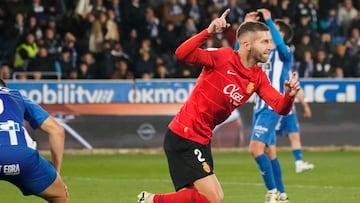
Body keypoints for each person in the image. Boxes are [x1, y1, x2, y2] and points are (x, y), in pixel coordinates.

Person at [137, 8, 301, 203]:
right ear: (247, 44)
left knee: (211, 198)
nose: (270, 46)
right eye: (264, 41)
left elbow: (280, 107)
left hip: (202, 139)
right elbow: (182, 54)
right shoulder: (222, 57)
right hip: (185, 134)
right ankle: (151, 200)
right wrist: (208, 32)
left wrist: (289, 96)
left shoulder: (258, 77)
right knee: (212, 199)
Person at [240, 8, 293, 203]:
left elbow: (278, 42)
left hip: (272, 107)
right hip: (259, 107)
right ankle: (282, 195)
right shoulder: (263, 54)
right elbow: (242, 50)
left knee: (255, 149)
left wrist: (270, 21)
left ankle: (271, 192)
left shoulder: (285, 53)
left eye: (274, 30)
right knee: (270, 152)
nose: (269, 32)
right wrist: (247, 24)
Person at [0, 79, 68, 203]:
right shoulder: (16, 95)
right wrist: (55, 175)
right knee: (58, 195)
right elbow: (57, 131)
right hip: (21, 156)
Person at [276, 90, 315, 173]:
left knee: (295, 136)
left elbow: (296, 90)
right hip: (275, 107)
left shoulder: (293, 76)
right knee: (270, 138)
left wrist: (305, 106)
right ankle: (267, 163)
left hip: (289, 111)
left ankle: (299, 163)